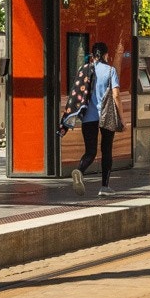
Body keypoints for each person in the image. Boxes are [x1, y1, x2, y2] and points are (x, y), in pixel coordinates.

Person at [63, 41, 119, 197]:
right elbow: (116, 95)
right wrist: (120, 117)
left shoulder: (84, 69)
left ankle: (79, 170)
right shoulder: (110, 70)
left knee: (90, 151)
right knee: (106, 150)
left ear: (93, 56)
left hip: (88, 116)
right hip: (106, 116)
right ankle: (104, 187)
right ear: (106, 55)